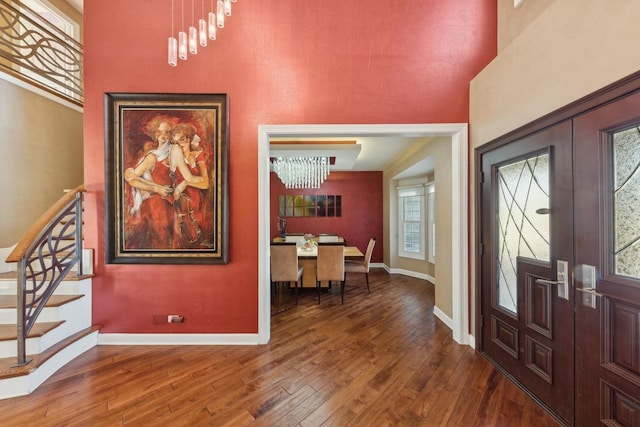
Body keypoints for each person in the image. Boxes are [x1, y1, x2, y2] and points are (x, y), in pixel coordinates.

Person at [123, 116, 177, 249]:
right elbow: (132, 178)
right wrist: (157, 188)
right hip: (156, 205)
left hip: (173, 202)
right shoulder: (152, 157)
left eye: (167, 132)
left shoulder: (175, 152)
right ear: (155, 133)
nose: (163, 136)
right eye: (160, 132)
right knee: (161, 240)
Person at [168, 123, 212, 248]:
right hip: (183, 203)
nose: (180, 145)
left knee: (202, 233)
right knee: (184, 238)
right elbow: (188, 178)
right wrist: (186, 182)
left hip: (198, 202)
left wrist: (186, 183)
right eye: (176, 142)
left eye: (182, 140)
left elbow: (205, 184)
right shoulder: (175, 155)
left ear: (189, 139)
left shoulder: (198, 155)